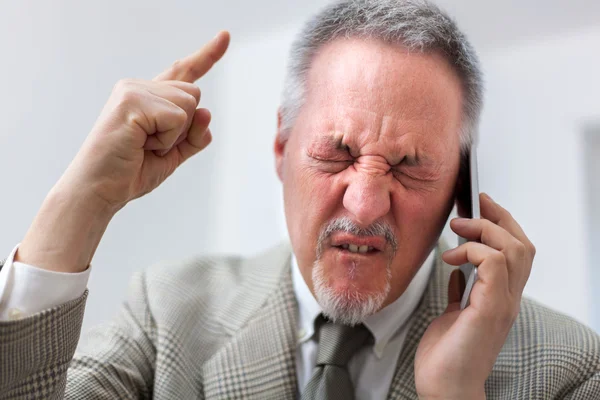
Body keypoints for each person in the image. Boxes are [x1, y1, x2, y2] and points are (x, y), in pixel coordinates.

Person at [0, 0, 599, 398]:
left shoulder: (570, 368)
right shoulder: (167, 312)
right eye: (335, 153)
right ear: (282, 146)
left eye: (411, 166)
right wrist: (81, 201)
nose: (365, 205)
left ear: (460, 191)